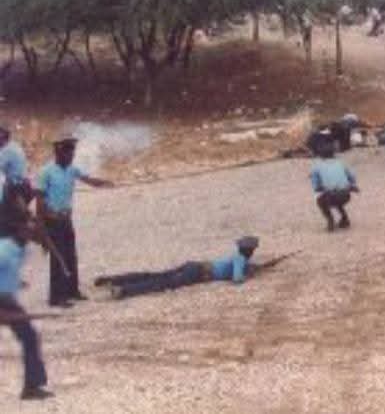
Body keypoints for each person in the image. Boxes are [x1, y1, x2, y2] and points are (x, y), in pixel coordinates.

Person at [35, 137, 113, 308]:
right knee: (58, 258)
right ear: (58, 153)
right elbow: (39, 201)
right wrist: (41, 227)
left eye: (72, 154)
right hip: (52, 221)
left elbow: (89, 180)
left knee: (71, 255)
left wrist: (105, 183)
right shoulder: (45, 172)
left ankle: (72, 291)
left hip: (66, 219)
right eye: (68, 154)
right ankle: (56, 297)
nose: (71, 157)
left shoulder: (72, 169)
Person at [0, 183, 52, 400]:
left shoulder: (20, 249)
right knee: (29, 335)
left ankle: (32, 386)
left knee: (29, 336)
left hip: (6, 298)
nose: (34, 229)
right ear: (21, 229)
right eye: (30, 227)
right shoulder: (5, 250)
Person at [98, 236, 260, 299]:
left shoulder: (235, 256)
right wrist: (249, 276)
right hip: (198, 273)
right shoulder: (240, 260)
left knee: (157, 276)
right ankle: (123, 290)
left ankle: (114, 280)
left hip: (196, 266)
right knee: (161, 284)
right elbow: (237, 279)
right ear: (250, 251)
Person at [310, 138, 359, 232]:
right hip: (345, 195)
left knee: (321, 200)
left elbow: (315, 185)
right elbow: (352, 177)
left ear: (320, 155)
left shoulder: (317, 166)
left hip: (331, 196)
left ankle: (330, 221)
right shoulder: (341, 163)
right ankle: (345, 218)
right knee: (337, 201)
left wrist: (320, 187)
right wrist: (351, 185)